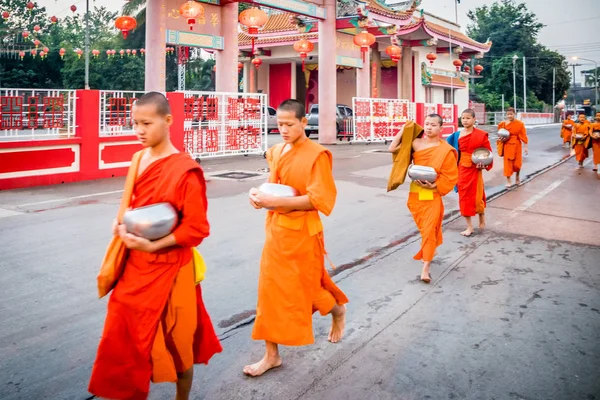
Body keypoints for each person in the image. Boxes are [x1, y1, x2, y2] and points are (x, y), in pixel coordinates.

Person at [88, 92, 222, 400]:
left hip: (172, 269)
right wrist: (119, 221)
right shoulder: (138, 158)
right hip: (135, 266)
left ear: (168, 120)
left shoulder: (185, 171)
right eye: (135, 123)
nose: (139, 130)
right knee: (122, 336)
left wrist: (155, 246)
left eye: (147, 123)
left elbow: (197, 228)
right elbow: (131, 203)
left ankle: (182, 397)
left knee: (178, 340)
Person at [245, 99, 349, 377]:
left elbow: (318, 199)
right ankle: (271, 355)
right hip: (277, 231)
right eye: (279, 124)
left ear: (304, 122)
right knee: (269, 292)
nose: (283, 129)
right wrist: (258, 197)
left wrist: (271, 199)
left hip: (303, 233)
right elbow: (274, 187)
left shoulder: (317, 155)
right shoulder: (277, 151)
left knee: (306, 289)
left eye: (289, 124)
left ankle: (336, 310)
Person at [388, 114, 458, 283]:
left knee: (428, 230)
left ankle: (425, 268)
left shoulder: (445, 150)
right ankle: (430, 249)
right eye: (426, 124)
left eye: (433, 125)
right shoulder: (416, 143)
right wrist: (403, 130)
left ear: (441, 129)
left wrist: (435, 186)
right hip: (416, 193)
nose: (428, 127)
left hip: (432, 194)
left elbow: (450, 175)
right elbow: (392, 149)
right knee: (424, 228)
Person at [446, 109, 493, 237]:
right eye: (463, 118)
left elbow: (487, 152)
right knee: (464, 197)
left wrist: (484, 163)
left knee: (477, 196)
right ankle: (469, 226)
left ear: (473, 119)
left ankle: (481, 215)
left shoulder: (481, 135)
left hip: (475, 168)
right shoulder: (456, 135)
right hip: (461, 168)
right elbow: (447, 149)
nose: (465, 120)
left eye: (468, 118)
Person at [497, 107, 528, 187]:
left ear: (514, 114)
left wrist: (526, 147)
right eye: (508, 114)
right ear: (506, 115)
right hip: (507, 145)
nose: (510, 116)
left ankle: (517, 177)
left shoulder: (520, 124)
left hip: (517, 145)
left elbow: (524, 136)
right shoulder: (502, 124)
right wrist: (501, 139)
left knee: (517, 164)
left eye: (511, 114)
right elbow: (500, 134)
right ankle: (508, 180)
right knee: (507, 164)